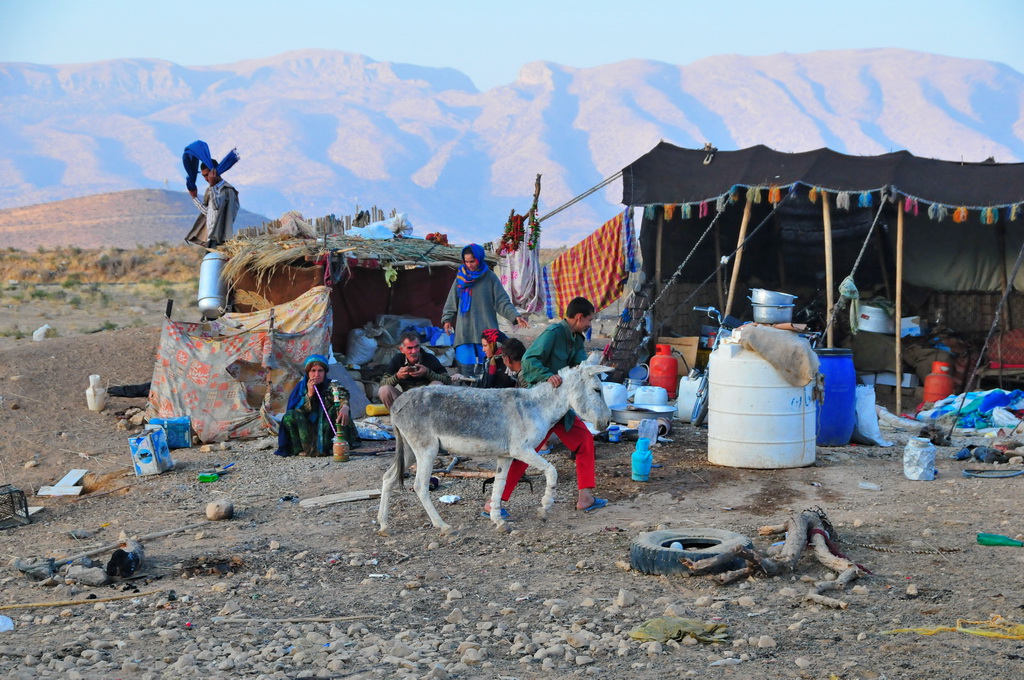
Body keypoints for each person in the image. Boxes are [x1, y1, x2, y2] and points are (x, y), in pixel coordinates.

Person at [483, 297, 608, 517]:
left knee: (584, 441)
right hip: (540, 407)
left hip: (560, 408)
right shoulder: (553, 334)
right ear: (579, 317)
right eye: (589, 319)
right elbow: (530, 360)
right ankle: (493, 504)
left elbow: (579, 367)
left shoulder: (577, 338)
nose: (591, 324)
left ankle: (585, 497)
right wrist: (547, 376)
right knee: (524, 453)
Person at [442, 244, 528, 375]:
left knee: (487, 371)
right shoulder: (460, 278)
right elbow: (452, 300)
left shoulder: (490, 277)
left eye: (472, 261)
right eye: (466, 261)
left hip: (487, 334)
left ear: (480, 259)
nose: (469, 265)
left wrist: (515, 316)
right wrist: (447, 318)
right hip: (465, 332)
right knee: (466, 372)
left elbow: (502, 301)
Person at [275, 355, 358, 457]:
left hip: (326, 428)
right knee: (289, 416)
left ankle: (334, 446)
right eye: (313, 371)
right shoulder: (301, 388)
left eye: (320, 371)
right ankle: (299, 449)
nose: (316, 374)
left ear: (325, 372)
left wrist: (345, 407)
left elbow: (342, 395)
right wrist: (309, 394)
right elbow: (296, 409)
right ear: (308, 373)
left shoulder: (331, 385)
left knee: (338, 410)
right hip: (306, 427)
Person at [182, 140, 240, 248]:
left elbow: (217, 208)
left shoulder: (227, 190)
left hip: (220, 238)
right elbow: (209, 212)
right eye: (204, 176)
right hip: (211, 237)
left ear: (215, 172)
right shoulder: (211, 189)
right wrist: (194, 197)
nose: (206, 178)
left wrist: (213, 186)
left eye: (208, 174)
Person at [377, 331, 452, 410]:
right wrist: (397, 376)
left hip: (426, 401)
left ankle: (430, 417)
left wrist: (427, 373)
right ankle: (397, 418)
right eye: (410, 348)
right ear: (402, 349)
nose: (414, 351)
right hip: (406, 400)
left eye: (416, 347)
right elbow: (382, 384)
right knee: (384, 390)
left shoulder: (429, 358)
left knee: (437, 384)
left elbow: (447, 380)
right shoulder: (397, 360)